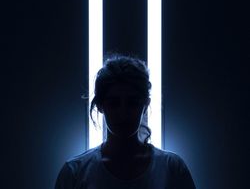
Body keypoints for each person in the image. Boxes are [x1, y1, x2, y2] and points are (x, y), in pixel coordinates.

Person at [55, 54, 196, 189]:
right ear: (100, 105)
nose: (123, 113)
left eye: (132, 103)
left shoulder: (173, 169)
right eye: (114, 103)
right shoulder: (75, 173)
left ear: (145, 105)